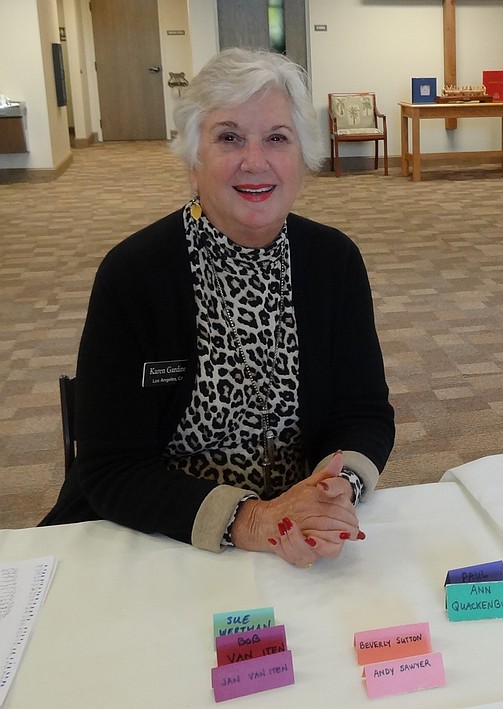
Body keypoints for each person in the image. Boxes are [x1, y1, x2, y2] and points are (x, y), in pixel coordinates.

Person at [41, 48, 395, 568]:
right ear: (193, 160)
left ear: (303, 157)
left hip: (301, 540)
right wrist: (249, 519)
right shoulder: (135, 275)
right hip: (163, 541)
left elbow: (363, 411)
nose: (256, 161)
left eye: (277, 138)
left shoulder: (333, 261)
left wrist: (335, 488)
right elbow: (111, 467)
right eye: (229, 138)